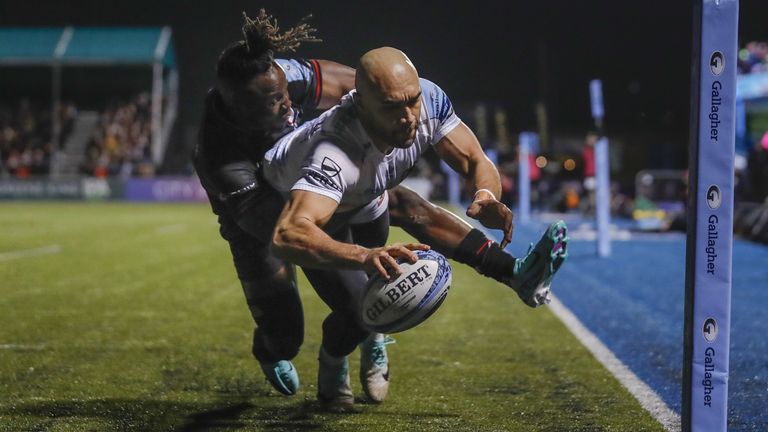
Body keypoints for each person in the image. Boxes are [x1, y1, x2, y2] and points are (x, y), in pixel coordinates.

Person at [194, 9, 564, 410]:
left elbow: (372, 86)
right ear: (236, 105)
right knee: (305, 324)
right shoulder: (225, 157)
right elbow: (286, 234)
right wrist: (362, 257)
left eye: (285, 94)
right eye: (270, 103)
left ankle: (511, 272)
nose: (285, 106)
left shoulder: (300, 80)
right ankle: (277, 350)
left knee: (402, 208)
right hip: (265, 208)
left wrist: (486, 195)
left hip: (328, 176)